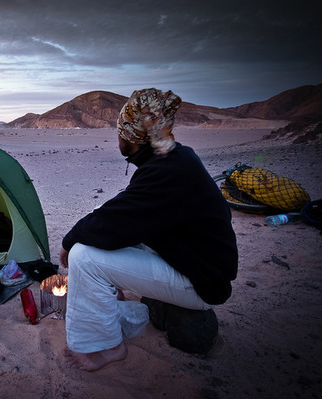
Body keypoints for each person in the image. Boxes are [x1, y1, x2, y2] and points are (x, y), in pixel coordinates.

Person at [59, 88, 238, 371]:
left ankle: (107, 347)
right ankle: (109, 304)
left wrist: (69, 242)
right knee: (103, 239)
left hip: (201, 282)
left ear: (133, 137)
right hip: (192, 263)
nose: (117, 137)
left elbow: (114, 220)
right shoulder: (172, 159)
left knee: (83, 256)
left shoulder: (167, 170)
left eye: (121, 132)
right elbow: (123, 212)